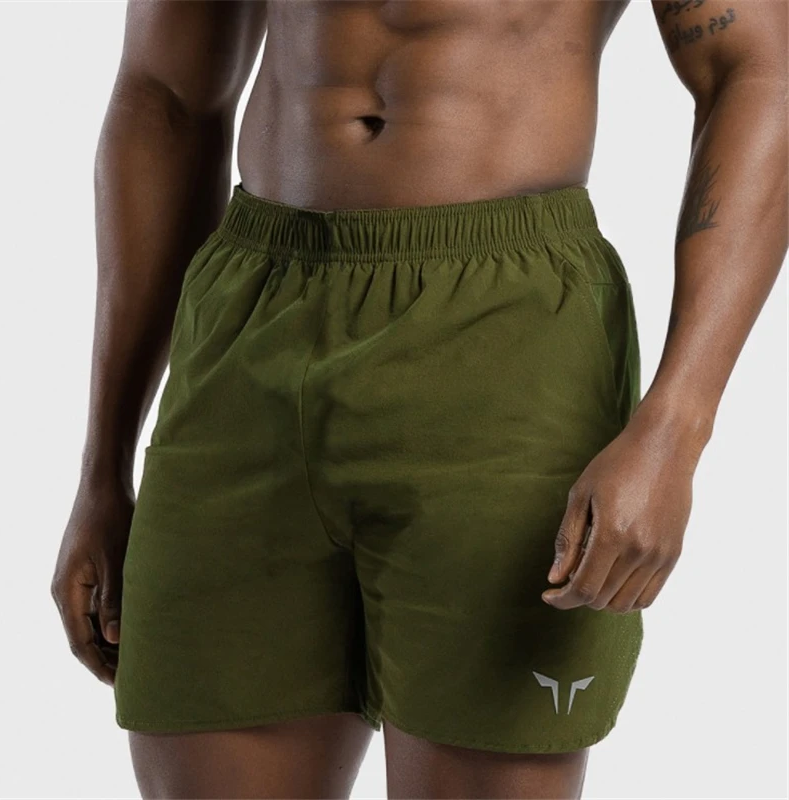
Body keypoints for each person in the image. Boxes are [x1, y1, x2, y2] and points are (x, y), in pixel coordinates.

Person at [50, 1, 787, 798]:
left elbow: (758, 70)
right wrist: (102, 471)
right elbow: (165, 97)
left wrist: (675, 428)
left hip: (504, 333)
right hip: (250, 326)